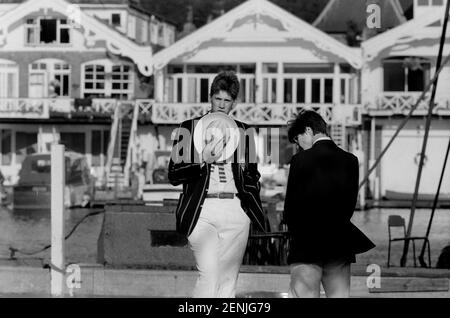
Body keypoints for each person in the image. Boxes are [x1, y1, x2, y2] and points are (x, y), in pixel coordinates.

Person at [168, 71, 266, 298]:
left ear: (234, 103)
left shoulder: (245, 132)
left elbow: (253, 175)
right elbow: (174, 174)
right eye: (217, 99)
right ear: (210, 98)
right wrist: (202, 159)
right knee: (208, 277)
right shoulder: (189, 127)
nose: (221, 105)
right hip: (202, 211)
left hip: (235, 210)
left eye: (227, 100)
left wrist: (248, 203)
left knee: (228, 281)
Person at [284, 110, 375, 298]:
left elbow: (291, 208)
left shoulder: (300, 160)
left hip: (306, 244)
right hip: (339, 243)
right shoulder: (350, 160)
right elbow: (350, 205)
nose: (298, 146)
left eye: (297, 139)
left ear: (308, 131)